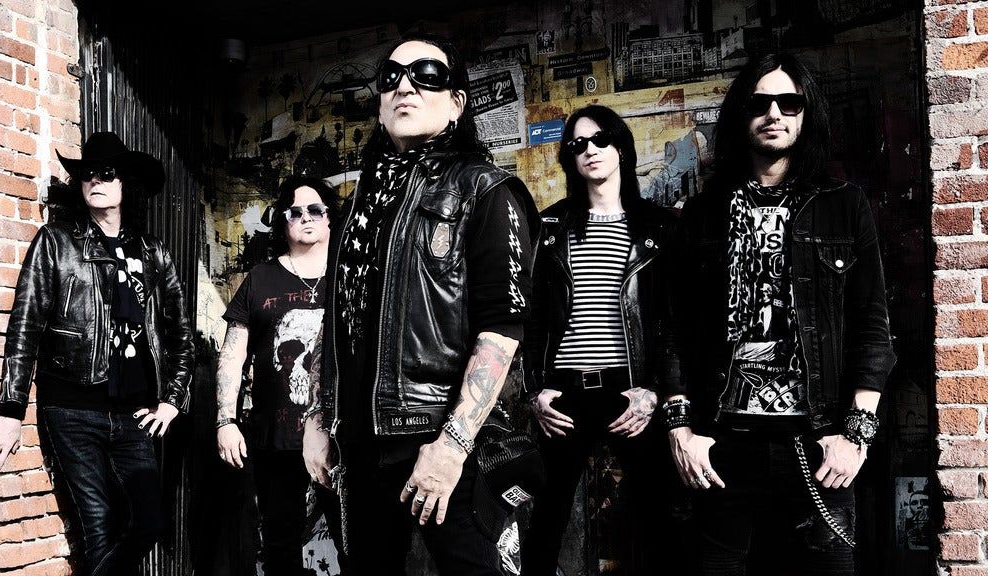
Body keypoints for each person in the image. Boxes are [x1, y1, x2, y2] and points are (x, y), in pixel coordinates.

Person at [304, 33, 538, 575]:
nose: (404, 87)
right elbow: (337, 320)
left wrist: (452, 445)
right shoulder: (358, 206)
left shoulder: (486, 190)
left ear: (457, 103)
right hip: (360, 445)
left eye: (426, 75)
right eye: (391, 77)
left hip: (443, 441)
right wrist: (318, 418)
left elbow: (502, 331)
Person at [665, 53, 896, 575]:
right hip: (722, 445)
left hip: (819, 442)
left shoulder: (844, 206)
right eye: (760, 102)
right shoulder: (703, 214)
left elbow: (873, 327)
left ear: (806, 113)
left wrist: (856, 433)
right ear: (740, 114)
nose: (774, 113)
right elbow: (674, 329)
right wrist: (681, 429)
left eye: (789, 103)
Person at [0, 132, 195, 576]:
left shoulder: (152, 252)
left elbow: (181, 334)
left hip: (135, 414)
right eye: (87, 174)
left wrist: (173, 400)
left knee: (149, 524)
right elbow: (26, 324)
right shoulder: (56, 243)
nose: (95, 181)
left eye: (107, 173)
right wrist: (11, 408)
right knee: (98, 529)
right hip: (72, 411)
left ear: (126, 183)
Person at [521, 104, 680, 576]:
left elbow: (671, 322)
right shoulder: (550, 229)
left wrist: (655, 391)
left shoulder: (658, 227)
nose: (589, 150)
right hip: (564, 394)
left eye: (600, 139)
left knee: (659, 521)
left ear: (621, 148)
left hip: (631, 392)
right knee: (545, 522)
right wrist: (535, 391)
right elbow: (531, 320)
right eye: (578, 144)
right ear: (570, 158)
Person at [215, 175, 346, 574]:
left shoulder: (350, 275)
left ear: (329, 217)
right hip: (277, 440)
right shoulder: (260, 279)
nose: (306, 218)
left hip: (343, 439)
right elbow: (233, 354)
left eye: (315, 210)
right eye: (295, 212)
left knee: (356, 546)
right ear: (283, 222)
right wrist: (225, 420)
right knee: (279, 549)